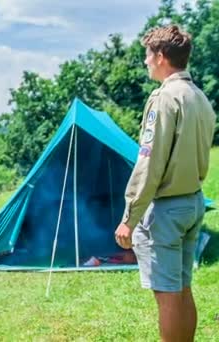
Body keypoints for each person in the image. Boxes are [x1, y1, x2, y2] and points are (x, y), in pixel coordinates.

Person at [115, 25, 216, 342]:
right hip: (193, 202)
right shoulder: (199, 98)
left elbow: (149, 164)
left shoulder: (163, 99)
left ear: (160, 56)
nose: (145, 61)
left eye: (147, 54)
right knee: (183, 289)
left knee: (168, 295)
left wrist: (129, 218)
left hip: (166, 212)